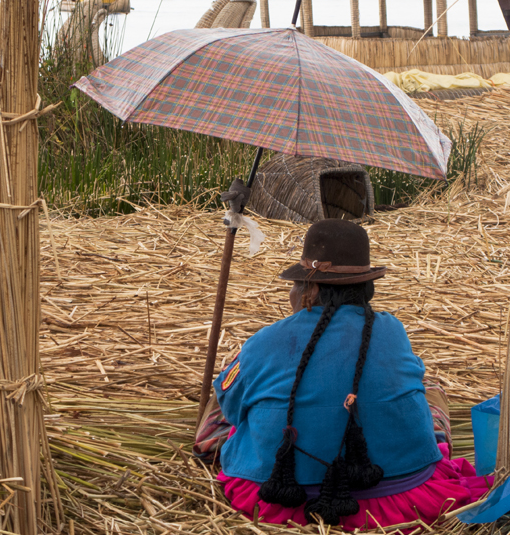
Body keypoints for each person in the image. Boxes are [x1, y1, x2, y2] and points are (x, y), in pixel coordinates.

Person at [206, 219, 492, 528]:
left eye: (296, 283)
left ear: (310, 288)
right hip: (398, 504)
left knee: (224, 399)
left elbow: (235, 413)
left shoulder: (262, 342)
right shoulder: (392, 331)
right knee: (431, 391)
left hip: (283, 502)